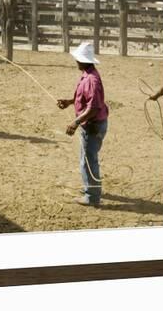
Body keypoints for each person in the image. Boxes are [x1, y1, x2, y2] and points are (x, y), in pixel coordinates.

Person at [57, 42, 109, 207]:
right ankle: (91, 188)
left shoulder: (91, 79)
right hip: (93, 124)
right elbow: (86, 100)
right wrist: (70, 102)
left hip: (93, 125)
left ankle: (92, 196)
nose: (76, 62)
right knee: (86, 158)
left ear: (84, 60)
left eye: (78, 59)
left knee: (88, 160)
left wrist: (75, 122)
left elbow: (93, 107)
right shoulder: (88, 75)